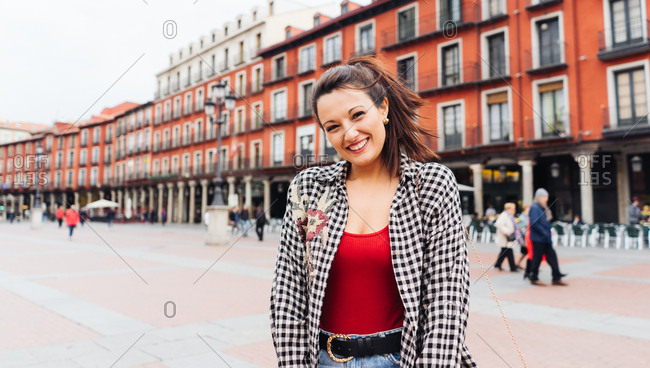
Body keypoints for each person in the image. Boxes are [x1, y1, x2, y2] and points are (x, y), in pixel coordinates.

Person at [270, 57, 476, 366]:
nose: (349, 134)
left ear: (383, 109)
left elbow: (446, 300)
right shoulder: (309, 189)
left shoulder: (430, 185)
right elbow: (288, 291)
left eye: (357, 115)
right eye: (333, 126)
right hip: (325, 360)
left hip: (403, 359)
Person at [528, 188, 567, 286]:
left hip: (545, 238)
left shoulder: (542, 207)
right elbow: (534, 223)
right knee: (537, 258)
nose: (546, 199)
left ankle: (556, 277)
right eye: (545, 197)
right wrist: (544, 233)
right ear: (539, 197)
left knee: (552, 257)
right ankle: (534, 277)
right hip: (538, 238)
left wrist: (546, 234)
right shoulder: (534, 207)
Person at [493, 203, 521, 272]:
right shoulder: (504, 215)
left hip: (508, 237)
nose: (514, 210)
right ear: (508, 209)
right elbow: (499, 224)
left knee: (504, 251)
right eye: (513, 209)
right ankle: (512, 267)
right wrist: (507, 232)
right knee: (508, 251)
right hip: (505, 237)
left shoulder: (510, 216)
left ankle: (498, 265)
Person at [517, 205, 530, 270]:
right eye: (528, 209)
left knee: (525, 253)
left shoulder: (528, 217)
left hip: (527, 237)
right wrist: (528, 235)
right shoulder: (522, 218)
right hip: (525, 238)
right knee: (526, 252)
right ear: (524, 210)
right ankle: (531, 266)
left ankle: (518, 263)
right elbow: (522, 229)